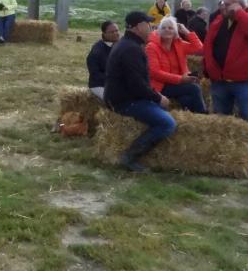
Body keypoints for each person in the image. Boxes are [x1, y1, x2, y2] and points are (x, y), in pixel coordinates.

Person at [203, 0, 248, 175]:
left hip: (244, 81)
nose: (223, 6)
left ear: (239, 4)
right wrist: (208, 69)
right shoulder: (219, 21)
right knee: (220, 120)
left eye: (228, 3)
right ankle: (223, 159)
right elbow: (208, 45)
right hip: (219, 81)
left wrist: (240, 14)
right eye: (223, 3)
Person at [104, 11, 175, 173]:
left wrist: (155, 96)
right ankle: (130, 156)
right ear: (138, 27)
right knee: (167, 123)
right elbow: (136, 84)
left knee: (163, 111)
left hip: (126, 96)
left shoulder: (128, 44)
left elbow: (139, 82)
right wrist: (157, 98)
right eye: (148, 24)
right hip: (124, 101)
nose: (151, 27)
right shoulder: (131, 49)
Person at [146, 16, 206, 113]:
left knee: (186, 100)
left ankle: (192, 118)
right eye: (163, 28)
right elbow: (155, 73)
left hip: (178, 84)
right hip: (161, 85)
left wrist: (186, 32)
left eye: (170, 28)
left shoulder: (179, 44)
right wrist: (181, 79)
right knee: (194, 88)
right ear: (159, 31)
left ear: (175, 31)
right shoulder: (151, 47)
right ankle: (204, 116)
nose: (167, 30)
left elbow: (200, 49)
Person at [87, 20, 120, 100]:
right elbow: (95, 74)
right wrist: (114, 80)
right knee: (116, 100)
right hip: (99, 85)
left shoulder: (120, 45)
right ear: (104, 34)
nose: (115, 33)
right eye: (112, 32)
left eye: (116, 31)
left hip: (117, 83)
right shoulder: (97, 50)